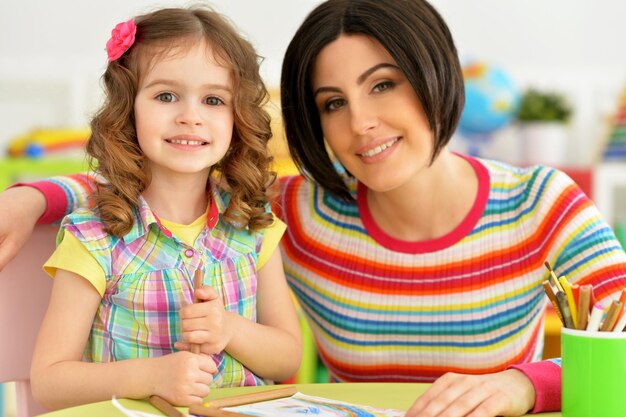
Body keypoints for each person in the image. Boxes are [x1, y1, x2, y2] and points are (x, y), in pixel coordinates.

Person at [2, 0, 625, 416]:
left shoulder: (542, 203)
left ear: (434, 73)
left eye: (384, 83)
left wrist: (526, 384)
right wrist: (37, 196)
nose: (361, 122)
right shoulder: (295, 211)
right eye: (332, 102)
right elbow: (160, 196)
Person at [27, 7, 301, 411]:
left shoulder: (252, 224)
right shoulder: (95, 237)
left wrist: (229, 329)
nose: (190, 116)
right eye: (166, 96)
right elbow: (49, 381)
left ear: (237, 116)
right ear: (128, 108)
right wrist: (152, 376)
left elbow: (288, 356)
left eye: (213, 99)